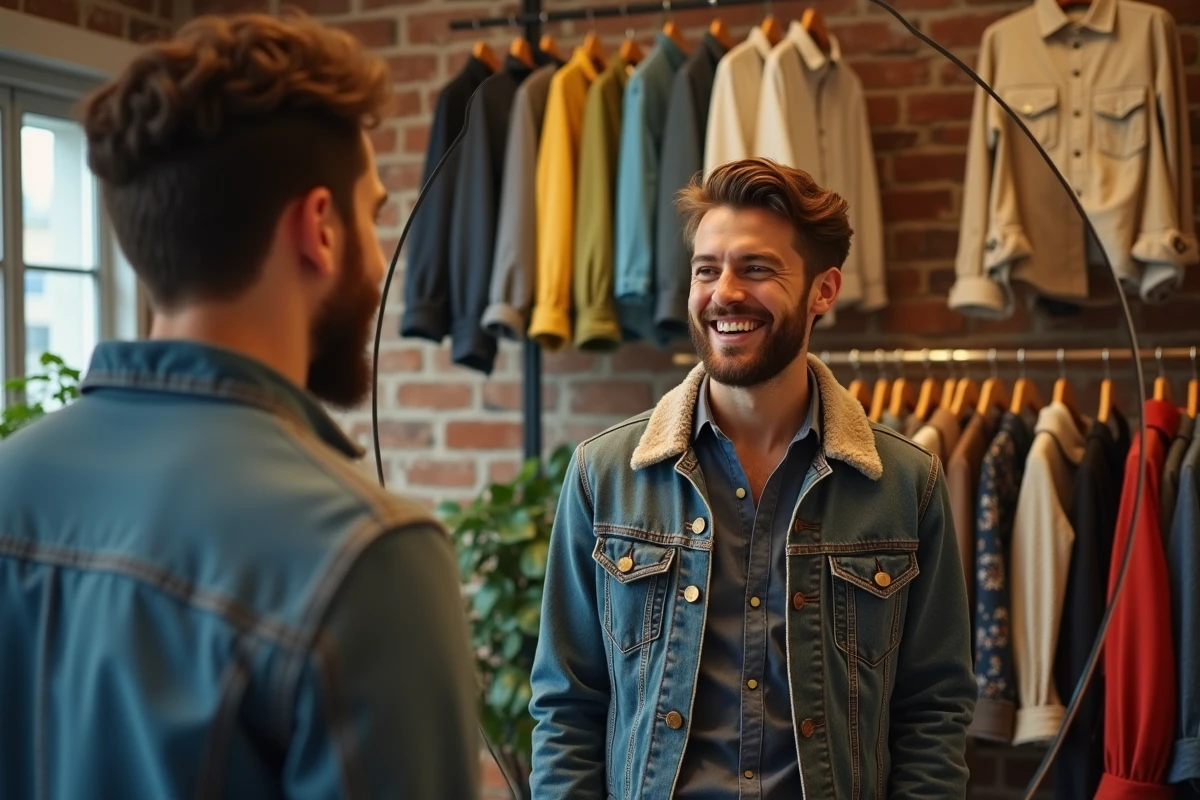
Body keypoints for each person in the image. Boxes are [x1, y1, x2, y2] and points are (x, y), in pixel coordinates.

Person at [0, 12, 478, 799]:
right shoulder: (366, 555)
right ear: (320, 228)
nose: (377, 244)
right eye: (373, 212)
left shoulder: (13, 481)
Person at [529, 158, 975, 798]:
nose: (724, 292)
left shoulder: (908, 484)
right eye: (706, 269)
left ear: (823, 291)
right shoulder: (605, 476)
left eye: (757, 268)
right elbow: (567, 706)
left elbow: (933, 712)